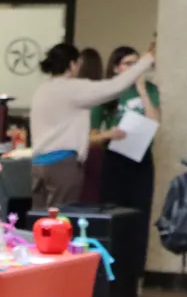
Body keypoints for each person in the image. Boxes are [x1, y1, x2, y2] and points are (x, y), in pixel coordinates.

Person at [29, 42, 154, 209]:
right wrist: (146, 60)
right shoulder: (72, 88)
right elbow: (115, 87)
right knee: (60, 222)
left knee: (40, 221)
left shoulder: (41, 90)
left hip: (38, 164)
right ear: (72, 64)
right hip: (62, 165)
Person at [91, 45, 162, 215]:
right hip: (114, 156)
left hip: (141, 157)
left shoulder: (150, 88)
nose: (134, 68)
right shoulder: (106, 92)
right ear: (116, 68)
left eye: (137, 64)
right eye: (128, 64)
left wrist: (142, 91)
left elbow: (155, 121)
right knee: (113, 210)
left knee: (140, 211)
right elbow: (92, 135)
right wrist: (109, 134)